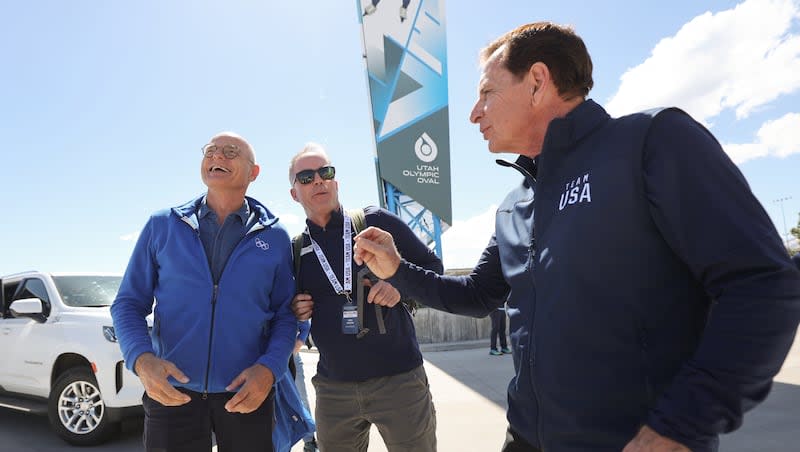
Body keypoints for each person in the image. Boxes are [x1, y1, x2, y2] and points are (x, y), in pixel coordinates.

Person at [352, 21, 800, 452]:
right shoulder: (515, 203)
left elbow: (762, 285)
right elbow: (478, 295)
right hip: (525, 436)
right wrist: (397, 270)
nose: (474, 113)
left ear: (537, 81)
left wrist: (682, 427)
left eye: (487, 93)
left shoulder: (650, 141)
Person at [111, 132, 297, 452]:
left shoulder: (276, 237)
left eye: (229, 152)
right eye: (210, 151)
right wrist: (141, 360)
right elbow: (128, 303)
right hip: (172, 396)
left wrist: (269, 369)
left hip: (246, 394)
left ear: (254, 172)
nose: (216, 157)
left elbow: (286, 314)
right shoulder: (162, 225)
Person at [289, 143, 442, 452]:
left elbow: (433, 267)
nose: (318, 180)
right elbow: (286, 312)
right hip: (334, 390)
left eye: (325, 172)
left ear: (336, 182)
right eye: (306, 177)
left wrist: (400, 287)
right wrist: (295, 309)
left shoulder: (375, 222)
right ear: (294, 193)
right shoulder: (296, 251)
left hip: (399, 381)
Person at [294, 320, 319, 452]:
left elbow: (305, 325)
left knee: (300, 398)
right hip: (261, 356)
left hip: (290, 355)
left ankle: (309, 441)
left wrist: (299, 343)